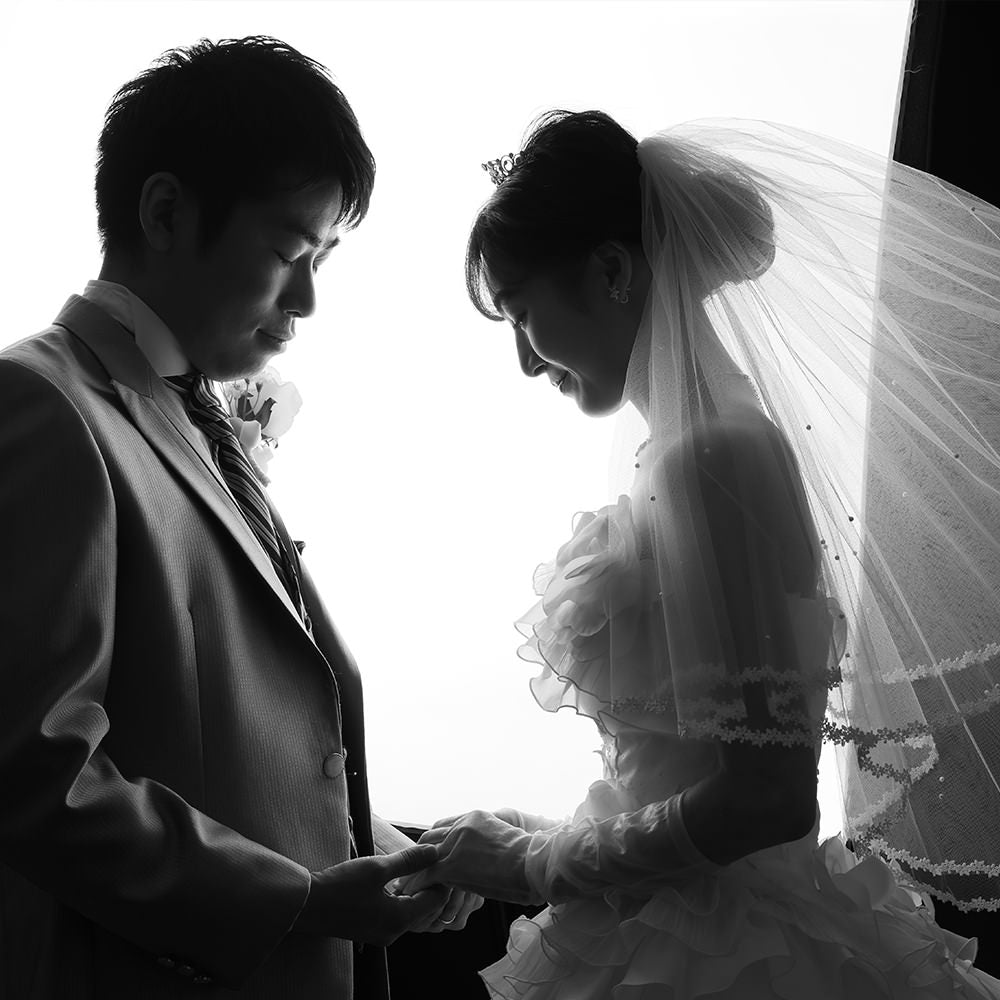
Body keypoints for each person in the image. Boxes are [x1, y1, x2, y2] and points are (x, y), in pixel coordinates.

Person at [417, 111, 1000, 997]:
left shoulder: (714, 456)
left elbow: (768, 796)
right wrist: (521, 835)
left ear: (613, 271)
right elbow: (685, 773)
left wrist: (534, 865)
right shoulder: (692, 449)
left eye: (523, 313)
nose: (527, 364)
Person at [0, 36, 481, 999]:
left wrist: (370, 844)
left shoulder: (193, 413)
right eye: (290, 252)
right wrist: (297, 901)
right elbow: (33, 774)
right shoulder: (43, 405)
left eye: (324, 259)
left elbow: (225, 741)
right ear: (165, 212)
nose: (307, 299)